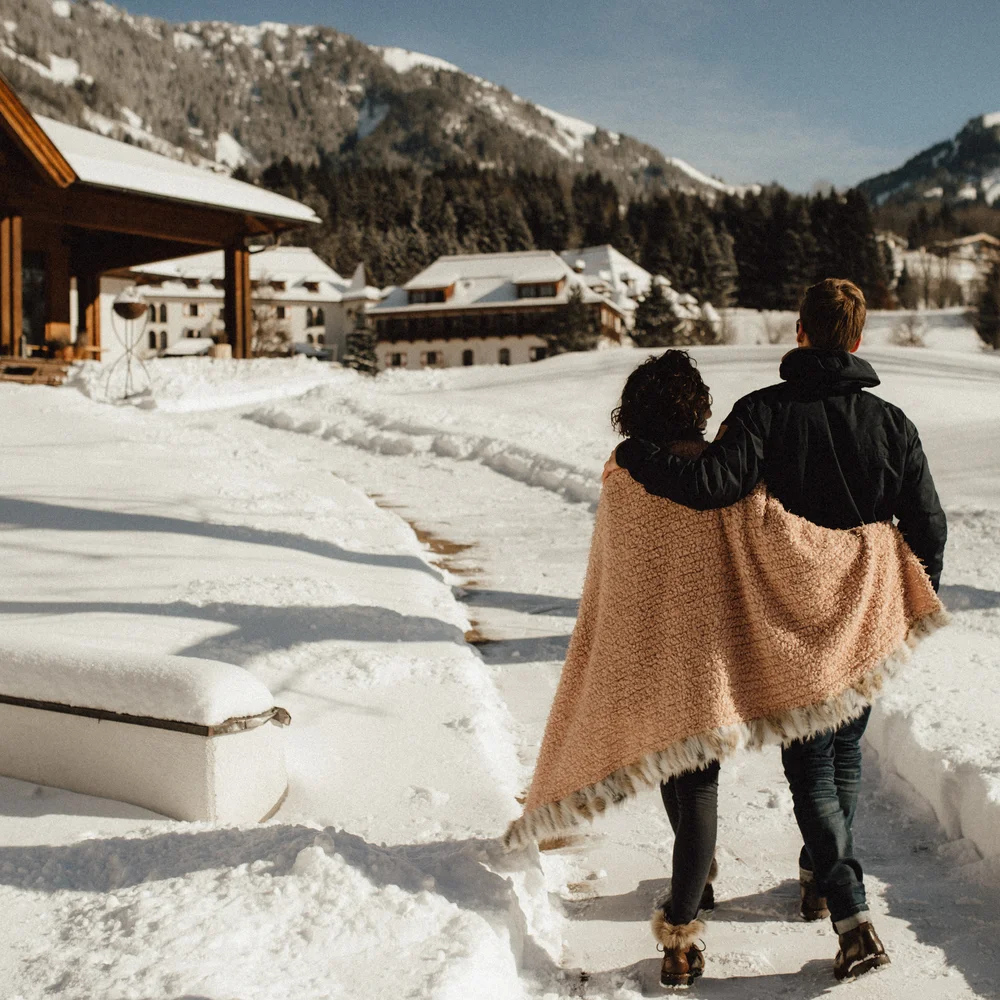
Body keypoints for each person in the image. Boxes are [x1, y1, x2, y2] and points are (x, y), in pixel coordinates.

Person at [603, 279, 947, 982]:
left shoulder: (761, 414)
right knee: (841, 757)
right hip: (866, 617)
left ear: (800, 331)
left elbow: (711, 488)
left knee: (813, 769)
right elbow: (929, 528)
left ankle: (852, 918)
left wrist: (639, 454)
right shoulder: (892, 423)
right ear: (857, 337)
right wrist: (902, 596)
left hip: (793, 623)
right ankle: (822, 878)